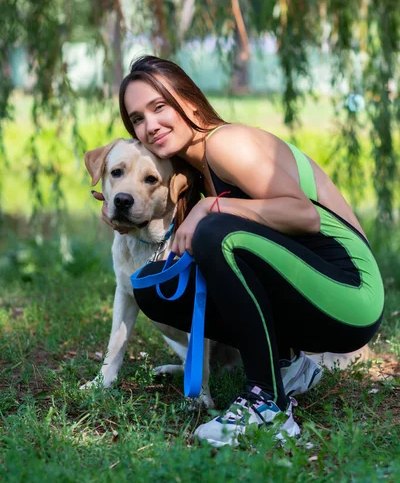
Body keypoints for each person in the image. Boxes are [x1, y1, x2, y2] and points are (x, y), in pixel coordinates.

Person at [113, 54, 384, 448]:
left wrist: (210, 207)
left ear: (188, 102)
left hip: (351, 292)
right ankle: (289, 366)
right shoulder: (195, 171)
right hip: (316, 288)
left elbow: (304, 217)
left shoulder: (226, 143)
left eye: (159, 107)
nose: (150, 125)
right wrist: (125, 214)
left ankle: (267, 404)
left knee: (216, 233)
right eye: (137, 118)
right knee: (158, 288)